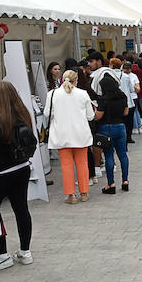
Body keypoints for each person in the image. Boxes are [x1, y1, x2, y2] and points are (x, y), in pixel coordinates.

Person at [0, 82, 36, 274]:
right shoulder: (23, 115)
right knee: (21, 209)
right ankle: (25, 251)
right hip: (22, 168)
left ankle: (2, 255)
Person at [45, 70, 96, 203]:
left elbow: (46, 113)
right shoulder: (83, 94)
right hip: (81, 134)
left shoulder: (52, 94)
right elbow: (90, 116)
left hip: (61, 134)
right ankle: (84, 193)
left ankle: (71, 195)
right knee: (82, 163)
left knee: (66, 165)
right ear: (76, 80)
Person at [95, 72, 129, 195]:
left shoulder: (103, 99)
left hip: (106, 129)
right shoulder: (123, 96)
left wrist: (94, 110)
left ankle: (111, 184)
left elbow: (98, 116)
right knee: (123, 155)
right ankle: (125, 181)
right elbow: (126, 113)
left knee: (109, 156)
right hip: (120, 127)